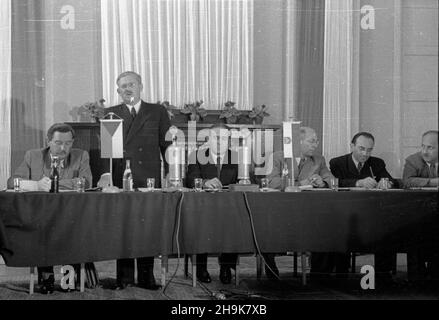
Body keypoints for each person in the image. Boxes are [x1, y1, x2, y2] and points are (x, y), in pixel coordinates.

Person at [97, 71, 171, 291]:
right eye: (121, 86)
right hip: (121, 177)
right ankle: (124, 277)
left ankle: (147, 276)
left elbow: (166, 145)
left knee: (147, 226)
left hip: (149, 177)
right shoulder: (111, 113)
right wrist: (106, 175)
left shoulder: (157, 111)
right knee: (124, 226)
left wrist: (170, 172)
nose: (126, 89)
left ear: (141, 86)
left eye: (130, 84)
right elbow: (106, 151)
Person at [7, 123, 93, 294]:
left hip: (71, 216)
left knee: (72, 232)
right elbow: (12, 181)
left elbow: (86, 182)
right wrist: (36, 185)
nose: (63, 148)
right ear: (49, 141)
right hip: (41, 217)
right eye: (58, 143)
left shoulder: (81, 155)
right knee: (43, 233)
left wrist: (53, 183)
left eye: (68, 143)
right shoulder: (33, 156)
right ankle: (46, 280)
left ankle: (67, 281)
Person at [329, 132, 398, 286]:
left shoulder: (377, 163)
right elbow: (335, 183)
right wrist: (358, 183)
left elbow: (392, 180)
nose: (365, 154)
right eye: (361, 149)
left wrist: (386, 183)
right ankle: (341, 275)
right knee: (342, 231)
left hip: (371, 214)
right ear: (352, 146)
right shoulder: (337, 163)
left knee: (385, 231)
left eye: (369, 150)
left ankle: (383, 276)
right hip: (345, 214)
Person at [265, 127, 335, 280]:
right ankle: (270, 268)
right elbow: (271, 181)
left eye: (316, 141)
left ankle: (319, 275)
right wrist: (296, 183)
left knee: (327, 226)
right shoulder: (278, 157)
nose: (315, 144)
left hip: (307, 212)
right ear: (298, 142)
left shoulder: (318, 160)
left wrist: (322, 182)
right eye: (312, 141)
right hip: (280, 211)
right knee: (265, 227)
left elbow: (332, 180)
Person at [186, 123, 239, 284]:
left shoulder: (236, 157)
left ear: (228, 140)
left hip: (227, 207)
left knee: (236, 224)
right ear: (209, 139)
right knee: (199, 226)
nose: (219, 141)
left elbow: (242, 181)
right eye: (215, 137)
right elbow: (190, 180)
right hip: (203, 207)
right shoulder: (197, 155)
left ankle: (226, 266)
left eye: (223, 138)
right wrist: (204, 182)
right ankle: (201, 268)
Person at [402, 130, 438, 282]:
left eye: (430, 147)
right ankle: (416, 280)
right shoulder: (412, 160)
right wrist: (432, 182)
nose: (424, 151)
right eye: (423, 146)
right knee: (415, 234)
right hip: (418, 212)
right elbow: (407, 181)